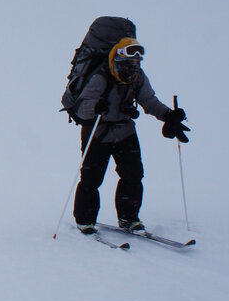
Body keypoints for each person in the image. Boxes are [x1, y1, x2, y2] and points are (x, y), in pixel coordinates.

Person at [73, 36, 189, 234]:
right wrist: (96, 106)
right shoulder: (101, 76)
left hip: (125, 131)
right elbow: (81, 109)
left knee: (133, 175)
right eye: (131, 60)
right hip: (98, 132)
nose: (134, 64)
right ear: (119, 57)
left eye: (137, 60)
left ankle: (129, 218)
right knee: (92, 179)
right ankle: (85, 219)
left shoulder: (137, 76)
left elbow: (149, 100)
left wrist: (168, 115)